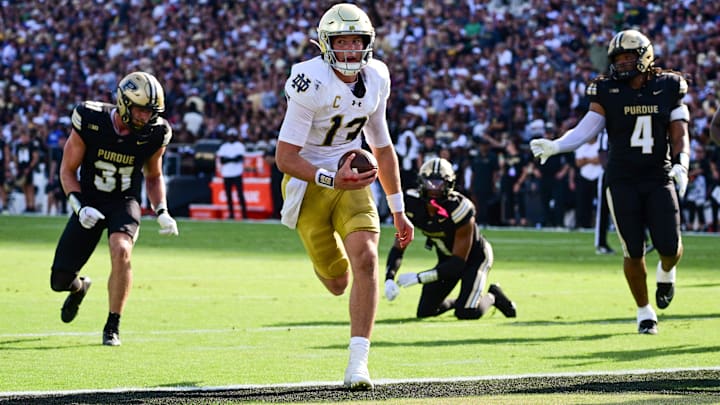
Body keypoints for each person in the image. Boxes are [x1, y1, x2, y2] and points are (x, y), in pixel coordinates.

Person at [275, 3, 414, 390]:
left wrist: (398, 210)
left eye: (358, 40)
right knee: (337, 282)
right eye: (343, 41)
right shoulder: (308, 79)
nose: (352, 49)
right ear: (326, 44)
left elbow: (383, 148)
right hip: (309, 184)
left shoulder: (378, 77)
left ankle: (358, 364)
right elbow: (285, 157)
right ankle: (326, 264)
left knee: (368, 259)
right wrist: (329, 178)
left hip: (351, 173)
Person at [530, 30, 690, 335]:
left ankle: (667, 272)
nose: (624, 62)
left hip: (659, 175)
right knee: (633, 250)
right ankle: (644, 312)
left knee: (670, 247)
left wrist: (682, 165)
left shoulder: (668, 85)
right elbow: (586, 128)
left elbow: (680, 132)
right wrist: (558, 145)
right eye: (619, 58)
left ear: (645, 56)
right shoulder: (606, 89)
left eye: (629, 56)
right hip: (622, 180)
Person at [50, 71, 179, 347]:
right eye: (142, 110)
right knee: (59, 280)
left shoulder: (157, 132)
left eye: (151, 111)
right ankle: (79, 287)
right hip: (90, 201)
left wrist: (162, 210)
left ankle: (112, 324)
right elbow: (67, 170)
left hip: (124, 201)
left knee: (121, 250)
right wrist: (79, 206)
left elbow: (154, 176)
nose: (146, 118)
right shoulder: (90, 118)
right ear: (124, 103)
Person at [384, 158, 517, 320]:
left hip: (474, 259)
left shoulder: (460, 208)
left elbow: (458, 263)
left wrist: (420, 278)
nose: (434, 189)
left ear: (450, 185)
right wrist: (389, 278)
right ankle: (461, 301)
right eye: (430, 183)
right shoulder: (410, 203)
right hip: (447, 259)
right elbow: (399, 245)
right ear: (421, 183)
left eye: (439, 183)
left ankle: (493, 296)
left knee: (466, 312)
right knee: (425, 311)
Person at [215, 128, 248, 219]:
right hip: (227, 174)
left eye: (233, 136)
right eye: (230, 136)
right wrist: (232, 159)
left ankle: (244, 214)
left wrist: (228, 159)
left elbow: (239, 158)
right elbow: (222, 160)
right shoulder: (224, 146)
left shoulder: (239, 145)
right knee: (228, 195)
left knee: (240, 194)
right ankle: (231, 214)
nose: (231, 138)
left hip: (237, 173)